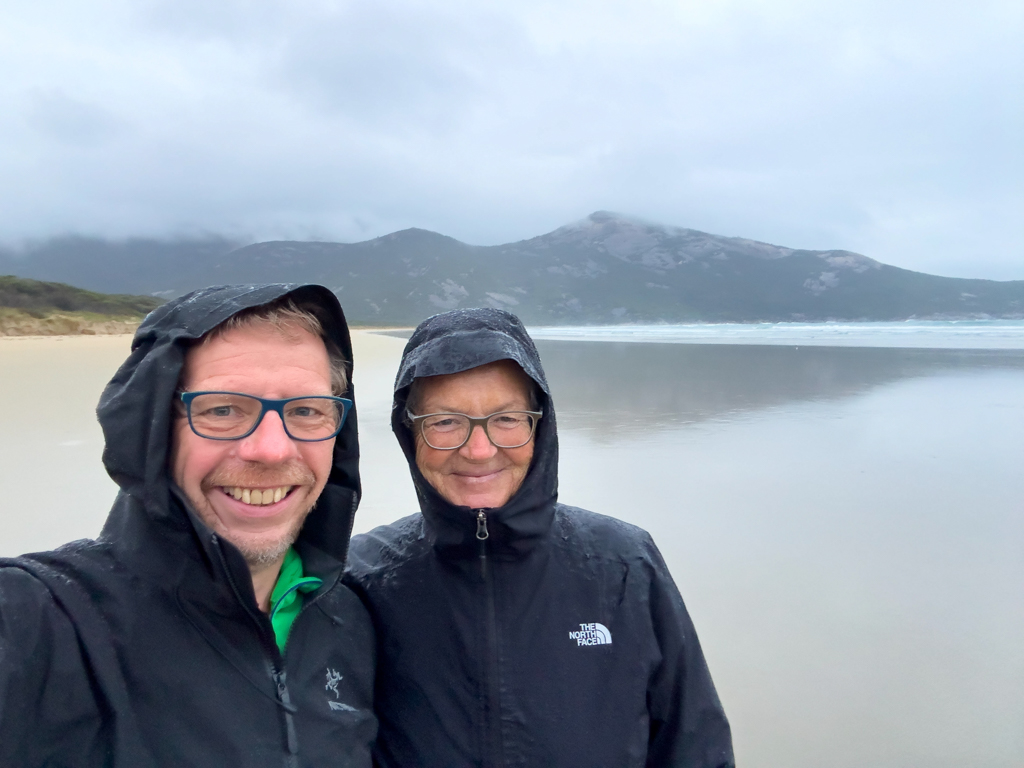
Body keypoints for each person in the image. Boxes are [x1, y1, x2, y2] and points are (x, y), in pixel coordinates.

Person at [0, 284, 376, 767]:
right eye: (221, 410)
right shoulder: (43, 621)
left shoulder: (351, 623)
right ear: (152, 428)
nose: (271, 449)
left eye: (306, 411)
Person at [346, 307, 734, 767]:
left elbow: (694, 748)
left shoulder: (625, 563)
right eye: (445, 421)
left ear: (540, 426)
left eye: (507, 419)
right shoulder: (361, 579)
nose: (479, 449)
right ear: (410, 433)